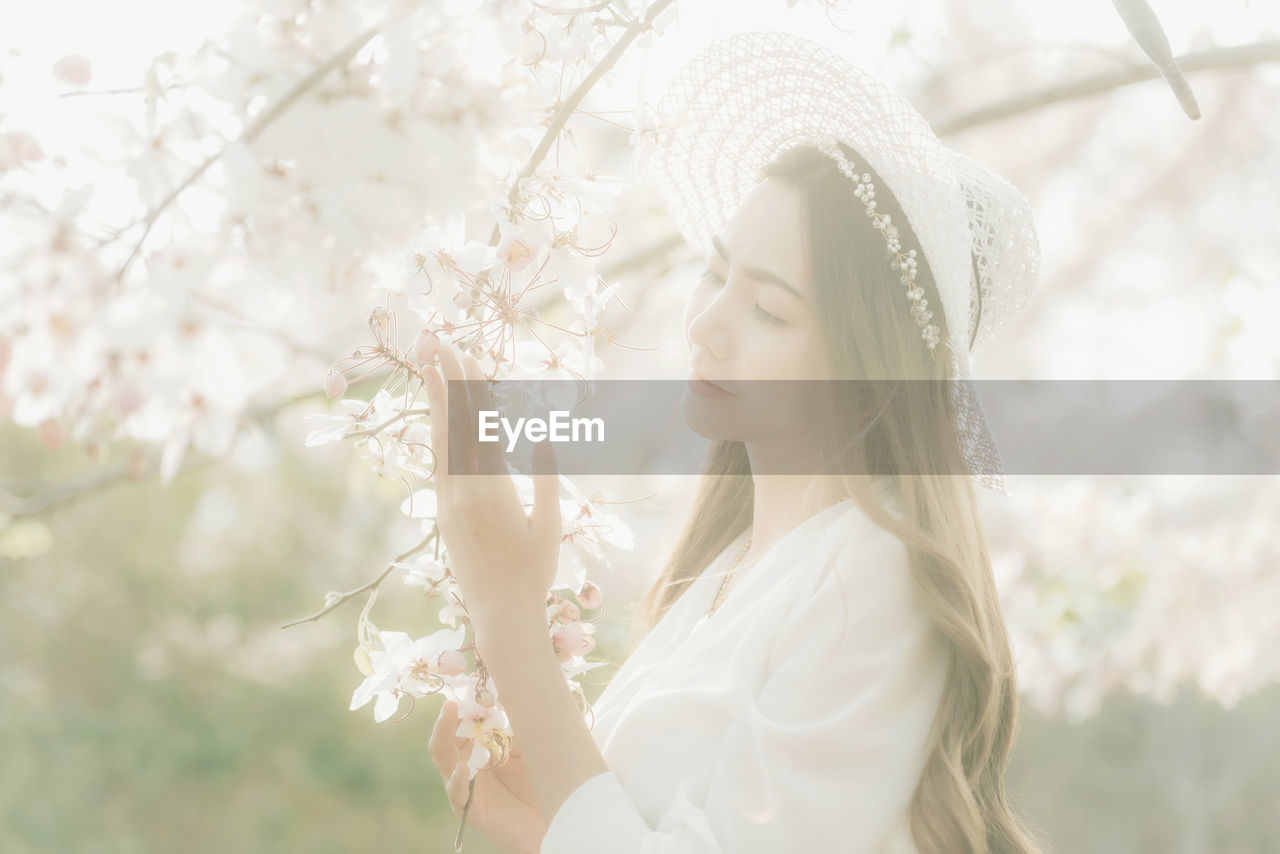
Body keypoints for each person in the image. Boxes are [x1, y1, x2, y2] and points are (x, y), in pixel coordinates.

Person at [426, 30, 1046, 854]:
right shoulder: (717, 578)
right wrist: (539, 828)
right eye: (717, 273)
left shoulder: (875, 574)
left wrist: (510, 623)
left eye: (770, 310)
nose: (707, 327)